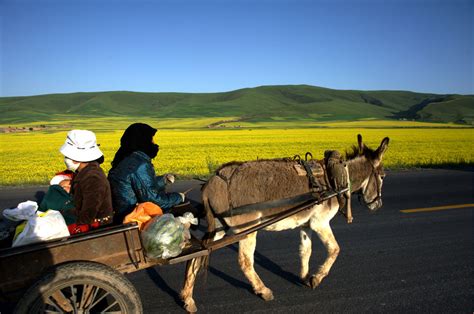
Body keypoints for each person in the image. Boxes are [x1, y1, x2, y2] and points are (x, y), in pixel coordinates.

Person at [108, 123, 184, 224]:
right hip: (134, 216)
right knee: (186, 211)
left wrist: (163, 180)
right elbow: (152, 199)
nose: (154, 143)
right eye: (151, 139)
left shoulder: (123, 157)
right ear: (143, 140)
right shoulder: (139, 164)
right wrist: (178, 197)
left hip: (122, 212)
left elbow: (141, 185)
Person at [59, 130, 114, 233]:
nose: (65, 159)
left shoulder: (93, 178)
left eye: (67, 156)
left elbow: (87, 216)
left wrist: (61, 213)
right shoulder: (83, 172)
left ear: (76, 159)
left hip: (96, 231)